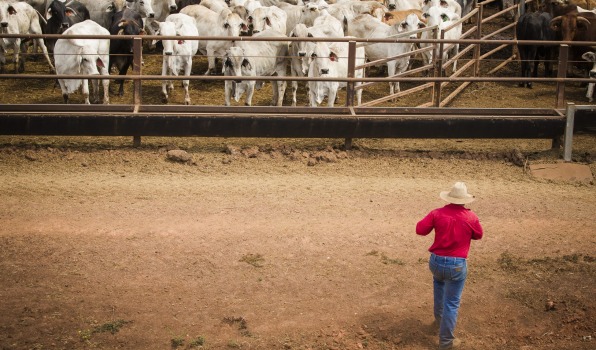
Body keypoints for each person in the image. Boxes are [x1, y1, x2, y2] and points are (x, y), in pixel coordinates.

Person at [416, 182, 484, 349]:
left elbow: (420, 230)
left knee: (439, 289)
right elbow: (478, 235)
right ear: (465, 200)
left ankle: (439, 322)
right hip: (457, 265)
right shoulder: (471, 217)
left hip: (436, 261)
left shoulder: (437, 213)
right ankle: (446, 342)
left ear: (449, 197)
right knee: (451, 302)